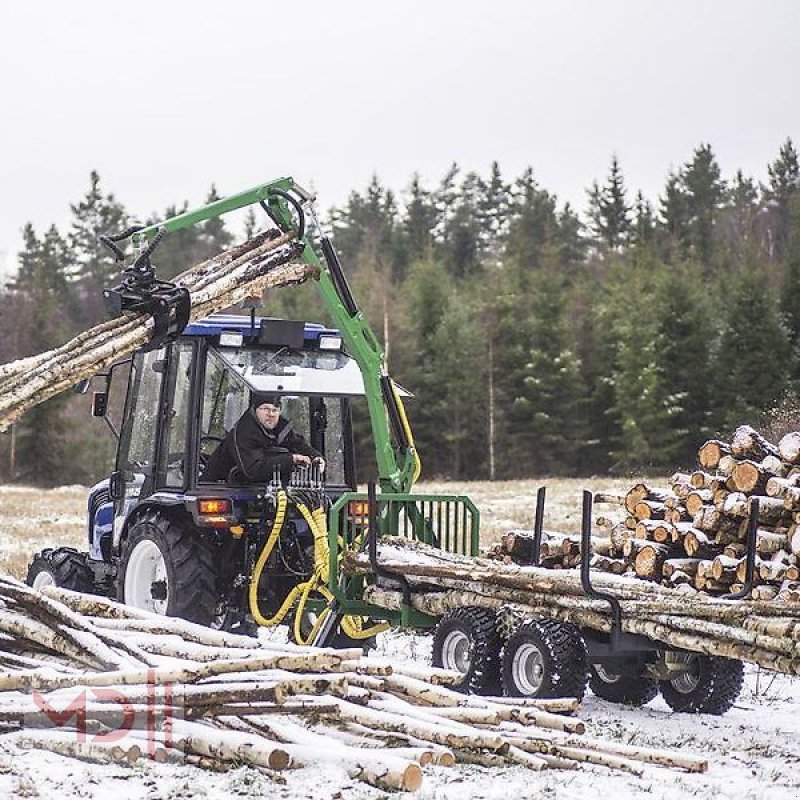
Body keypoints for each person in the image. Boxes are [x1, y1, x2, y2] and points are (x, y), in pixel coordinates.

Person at [202, 391, 325, 483]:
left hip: (266, 487)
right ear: (255, 410)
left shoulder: (281, 427)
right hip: (223, 486)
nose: (270, 414)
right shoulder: (244, 432)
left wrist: (315, 457)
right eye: (265, 409)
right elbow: (253, 470)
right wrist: (291, 459)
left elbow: (297, 443)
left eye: (275, 410)